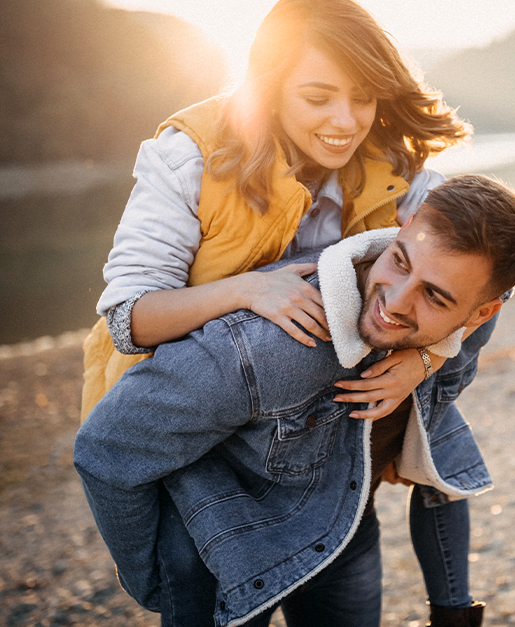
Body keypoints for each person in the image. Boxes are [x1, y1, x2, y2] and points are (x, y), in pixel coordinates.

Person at [79, 0, 474, 622]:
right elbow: (128, 319)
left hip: (329, 458)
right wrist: (244, 290)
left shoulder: (392, 165)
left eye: (365, 97)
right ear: (268, 88)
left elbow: (479, 270)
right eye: (318, 97)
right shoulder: (188, 157)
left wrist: (424, 360)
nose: (346, 121)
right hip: (206, 468)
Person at [74, 175, 515, 627]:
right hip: (224, 560)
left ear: (481, 312)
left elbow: (501, 283)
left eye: (435, 297)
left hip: (344, 532)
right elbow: (106, 447)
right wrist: (153, 583)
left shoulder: (476, 320)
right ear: (407, 223)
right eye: (400, 262)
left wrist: (424, 359)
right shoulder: (262, 348)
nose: (397, 302)